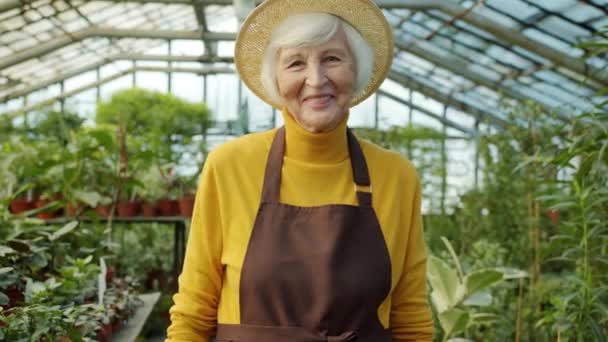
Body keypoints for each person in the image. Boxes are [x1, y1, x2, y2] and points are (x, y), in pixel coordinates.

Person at [166, 0, 433, 341]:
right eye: (295, 62)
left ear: (357, 69)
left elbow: (410, 316)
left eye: (332, 59)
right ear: (275, 79)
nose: (316, 79)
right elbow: (194, 310)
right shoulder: (230, 166)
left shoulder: (397, 177)